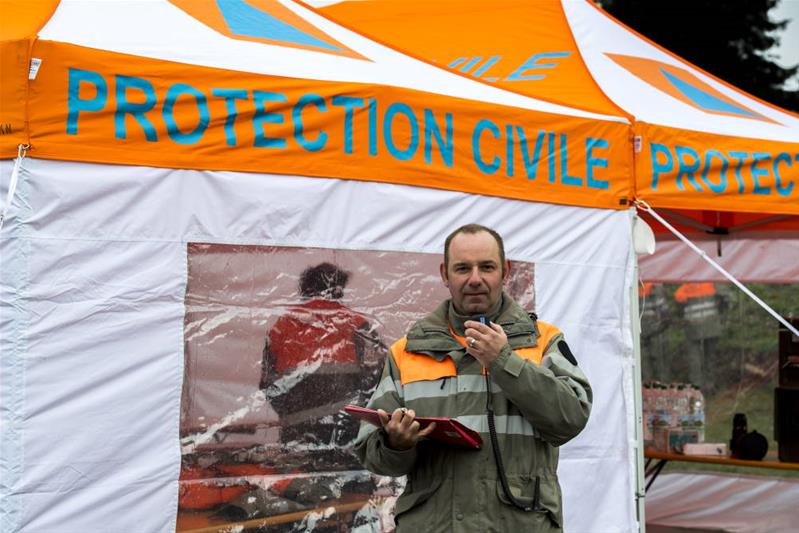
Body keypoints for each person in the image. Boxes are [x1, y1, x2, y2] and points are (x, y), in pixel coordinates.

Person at [354, 224, 592, 532]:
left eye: (487, 267)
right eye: (463, 268)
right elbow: (375, 458)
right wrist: (396, 444)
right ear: (445, 274)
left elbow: (570, 419)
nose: (475, 279)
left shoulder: (542, 340)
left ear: (504, 272)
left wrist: (503, 361)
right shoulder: (407, 351)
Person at [260, 262, 383, 470]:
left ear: (305, 289)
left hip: (297, 433)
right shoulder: (359, 325)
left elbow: (267, 384)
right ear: (339, 289)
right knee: (349, 489)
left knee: (303, 490)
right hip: (347, 434)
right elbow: (376, 379)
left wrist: (292, 416)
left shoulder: (281, 326)